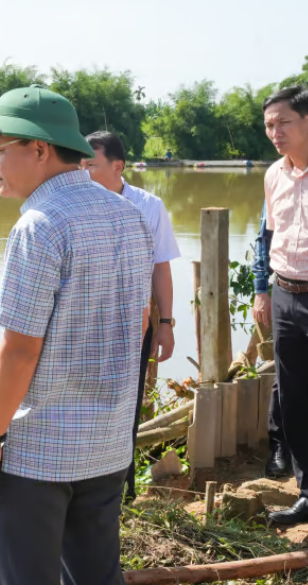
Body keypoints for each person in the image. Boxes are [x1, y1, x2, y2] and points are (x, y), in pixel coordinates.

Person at [0, 86, 154, 585]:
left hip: (37, 450)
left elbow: (21, 348)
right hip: (107, 443)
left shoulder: (41, 225)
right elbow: (138, 323)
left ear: (40, 149)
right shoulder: (130, 215)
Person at [82, 130, 180, 502]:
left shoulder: (149, 205)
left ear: (117, 166)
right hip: (82, 325)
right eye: (79, 163)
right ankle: (81, 490)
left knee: (126, 407)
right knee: (81, 407)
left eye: (90, 164)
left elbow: (161, 268)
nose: (82, 170)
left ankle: (121, 493)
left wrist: (166, 324)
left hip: (131, 326)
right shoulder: (76, 204)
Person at [260, 86, 308, 526]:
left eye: (283, 122)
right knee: (296, 400)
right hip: (285, 295)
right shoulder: (273, 175)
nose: (275, 132)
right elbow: (268, 234)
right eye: (268, 125)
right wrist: (264, 290)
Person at [251, 200, 294, 478]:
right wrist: (260, 287)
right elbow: (264, 238)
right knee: (286, 372)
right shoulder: (278, 178)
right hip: (288, 288)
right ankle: (280, 447)